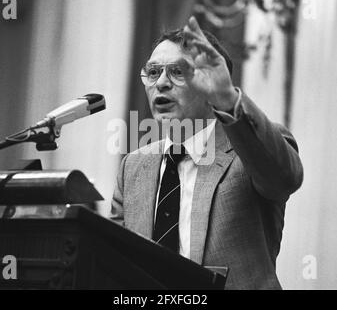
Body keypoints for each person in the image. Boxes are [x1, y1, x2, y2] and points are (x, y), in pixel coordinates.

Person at [111, 16, 303, 290]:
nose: (161, 83)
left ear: (209, 84)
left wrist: (226, 97)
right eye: (153, 72)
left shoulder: (249, 150)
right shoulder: (133, 166)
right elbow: (109, 257)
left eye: (178, 72)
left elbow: (285, 179)